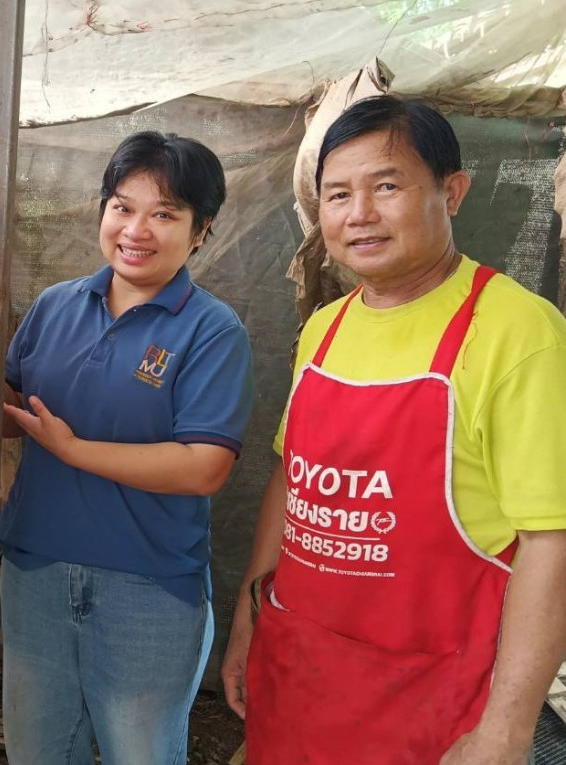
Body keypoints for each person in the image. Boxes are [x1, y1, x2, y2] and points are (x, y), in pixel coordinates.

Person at [220, 96, 566, 764]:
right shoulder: (325, 328)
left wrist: (506, 728)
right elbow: (293, 482)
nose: (359, 214)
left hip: (432, 704)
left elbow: (551, 542)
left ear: (452, 192)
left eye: (386, 186)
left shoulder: (519, 333)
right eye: (337, 194)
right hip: (299, 676)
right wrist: (248, 614)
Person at [0, 131, 254, 765]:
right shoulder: (56, 306)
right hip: (37, 570)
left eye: (164, 214)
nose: (136, 230)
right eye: (122, 207)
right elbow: (17, 420)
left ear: (201, 231)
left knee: (142, 754)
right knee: (38, 750)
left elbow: (204, 467)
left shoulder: (212, 330)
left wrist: (74, 450)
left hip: (147, 587)